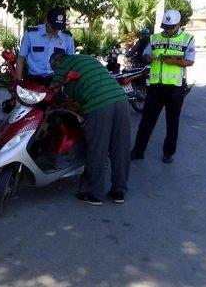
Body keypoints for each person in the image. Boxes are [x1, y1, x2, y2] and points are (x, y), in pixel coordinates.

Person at [50, 50, 131, 205]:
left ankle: (95, 193)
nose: (55, 71)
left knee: (97, 148)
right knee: (120, 147)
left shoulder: (61, 67)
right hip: (121, 100)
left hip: (99, 105)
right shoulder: (87, 58)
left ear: (56, 63)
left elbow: (52, 94)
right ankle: (119, 191)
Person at [130, 10, 195, 164]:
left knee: (172, 122)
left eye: (171, 27)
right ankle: (138, 151)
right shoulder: (154, 38)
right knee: (146, 120)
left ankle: (168, 153)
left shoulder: (187, 39)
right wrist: (148, 57)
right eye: (165, 27)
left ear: (179, 24)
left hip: (175, 88)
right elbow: (145, 56)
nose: (167, 30)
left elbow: (190, 61)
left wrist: (175, 61)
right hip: (155, 87)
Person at [16, 7, 75, 86]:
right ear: (46, 21)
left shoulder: (67, 38)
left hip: (57, 81)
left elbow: (71, 63)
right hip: (34, 80)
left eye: (59, 27)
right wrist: (18, 82)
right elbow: (20, 59)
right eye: (54, 26)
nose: (56, 30)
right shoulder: (31, 34)